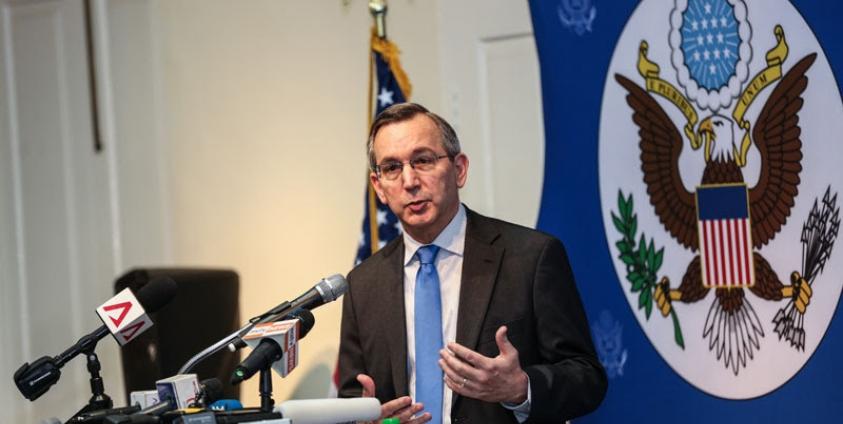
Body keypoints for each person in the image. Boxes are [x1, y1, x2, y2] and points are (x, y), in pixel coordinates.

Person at [338, 103, 606, 424]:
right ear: (379, 187)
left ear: (459, 169)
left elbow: (586, 377)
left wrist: (520, 388)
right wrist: (362, 418)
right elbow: (353, 397)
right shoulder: (363, 283)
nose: (409, 181)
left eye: (423, 160)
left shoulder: (530, 257)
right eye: (392, 168)